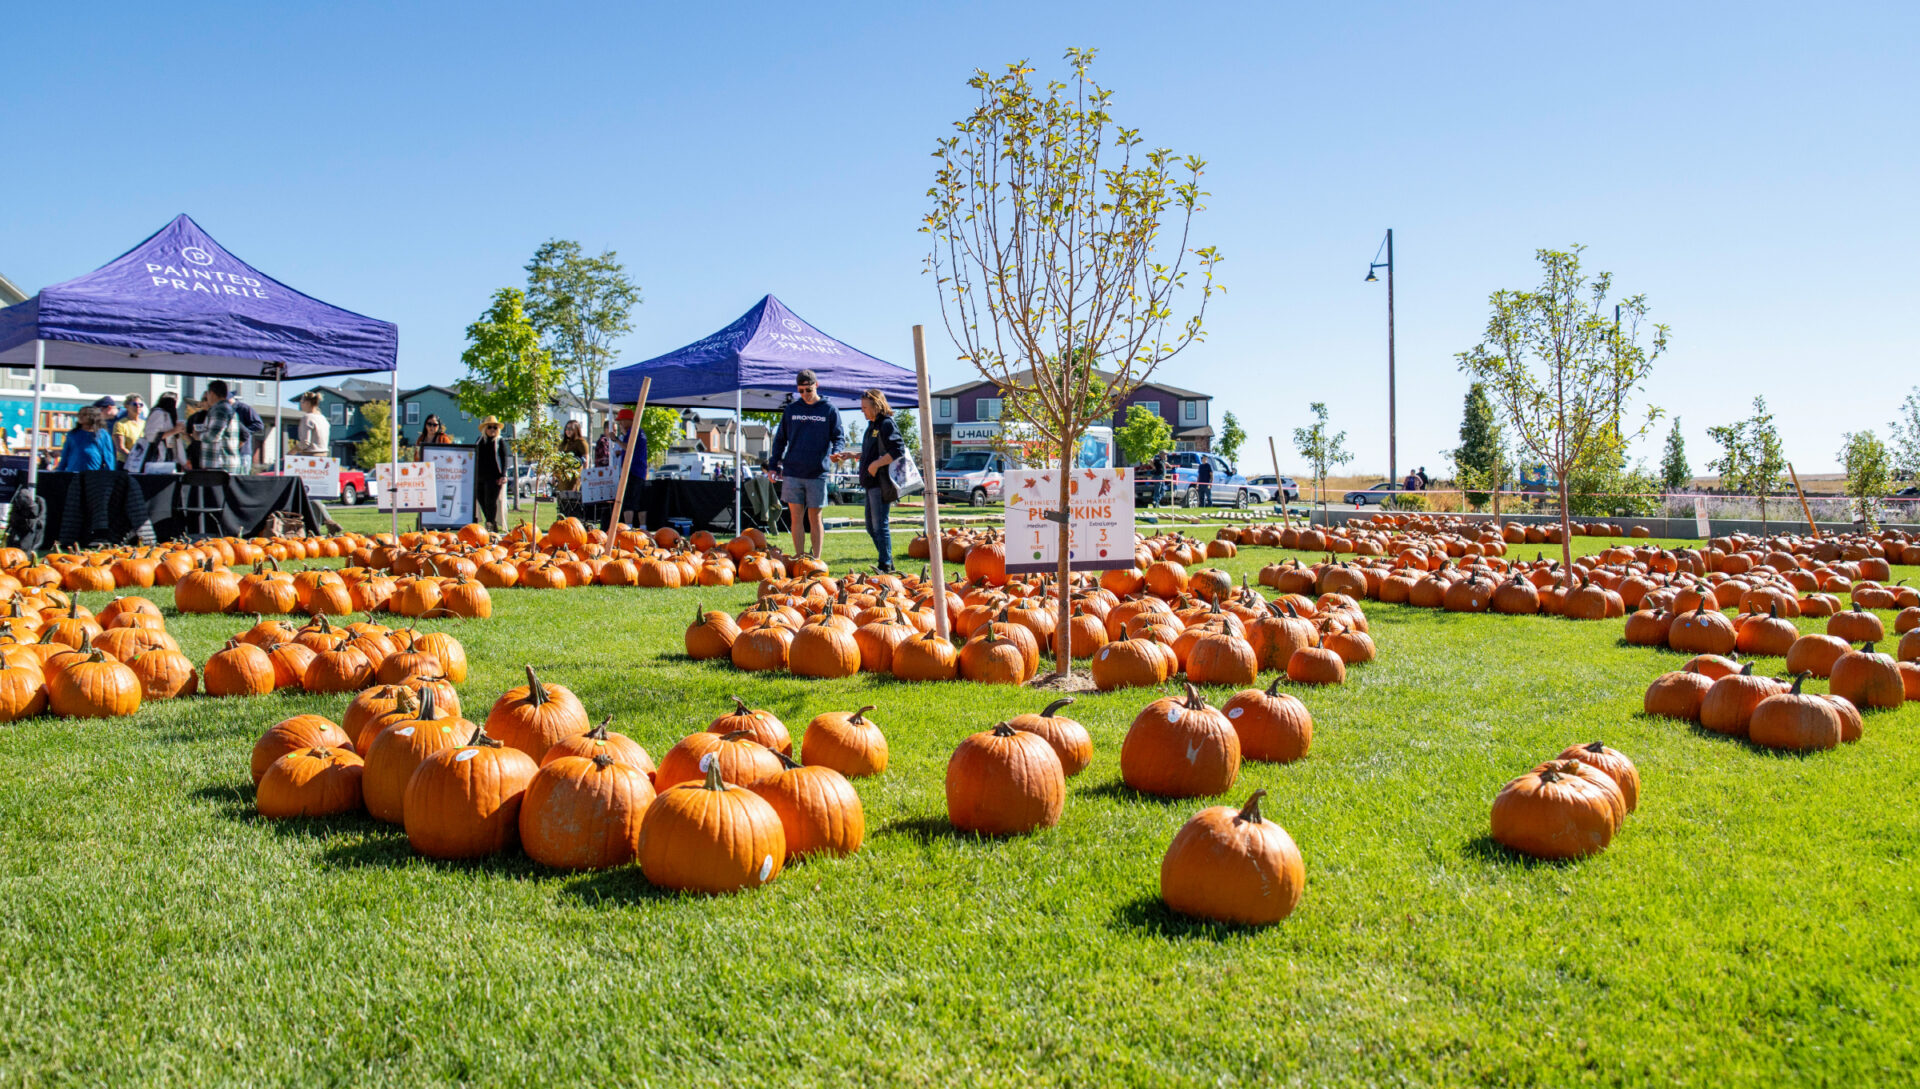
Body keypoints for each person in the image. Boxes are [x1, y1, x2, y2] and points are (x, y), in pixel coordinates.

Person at [766, 368, 842, 559]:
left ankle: (816, 559)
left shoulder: (829, 409)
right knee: (795, 517)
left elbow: (838, 437)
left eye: (808, 390)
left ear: (816, 385)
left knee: (815, 518)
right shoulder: (792, 410)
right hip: (793, 472)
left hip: (817, 472)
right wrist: (773, 465)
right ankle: (799, 558)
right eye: (800, 391)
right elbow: (780, 440)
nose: (805, 395)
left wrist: (837, 452)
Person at [854, 389, 908, 572]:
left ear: (876, 406)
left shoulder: (886, 424)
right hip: (870, 483)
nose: (862, 411)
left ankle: (885, 564)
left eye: (865, 407)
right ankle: (887, 560)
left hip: (881, 483)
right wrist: (853, 455)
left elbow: (898, 449)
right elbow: (873, 451)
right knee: (871, 526)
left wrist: (877, 464)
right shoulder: (872, 425)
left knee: (880, 525)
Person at [196, 380, 249, 473]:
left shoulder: (220, 410)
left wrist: (198, 436)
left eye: (207, 395)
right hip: (223, 464)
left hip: (219, 465)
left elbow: (213, 436)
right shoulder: (227, 408)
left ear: (211, 393)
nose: (207, 398)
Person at [56, 405, 118, 472]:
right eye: (79, 414)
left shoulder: (102, 435)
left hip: (94, 474)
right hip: (74, 473)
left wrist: (109, 475)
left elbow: (109, 457)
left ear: (93, 416)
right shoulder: (73, 434)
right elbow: (65, 455)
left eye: (84, 414)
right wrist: (60, 472)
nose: (81, 416)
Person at [474, 416, 508, 532]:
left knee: (490, 501)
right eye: (490, 427)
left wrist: (503, 475)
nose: (492, 429)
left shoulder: (499, 441)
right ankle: (491, 524)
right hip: (479, 476)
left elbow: (504, 459)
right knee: (481, 500)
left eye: (495, 427)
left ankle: (490, 524)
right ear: (485, 428)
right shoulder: (479, 441)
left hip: (494, 477)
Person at [615, 408, 648, 529]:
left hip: (632, 470)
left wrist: (616, 440)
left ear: (628, 420)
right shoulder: (640, 431)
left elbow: (629, 447)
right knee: (640, 501)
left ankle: (628, 527)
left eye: (621, 421)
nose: (620, 424)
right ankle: (643, 527)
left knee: (628, 500)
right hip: (640, 471)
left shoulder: (633, 432)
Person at [136, 392, 188, 469]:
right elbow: (151, 436)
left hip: (169, 457)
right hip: (158, 458)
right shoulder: (158, 413)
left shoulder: (168, 414)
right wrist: (174, 431)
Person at [558, 419, 589, 491]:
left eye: (570, 429)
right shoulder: (564, 443)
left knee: (572, 499)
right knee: (562, 499)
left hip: (575, 477)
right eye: (566, 428)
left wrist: (581, 479)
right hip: (563, 478)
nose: (568, 431)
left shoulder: (581, 442)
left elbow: (586, 463)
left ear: (576, 430)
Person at [112, 396, 145, 461]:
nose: (138, 406)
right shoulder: (120, 424)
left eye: (140, 405)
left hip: (142, 461)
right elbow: (120, 447)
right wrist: (134, 458)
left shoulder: (146, 424)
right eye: (134, 404)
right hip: (125, 462)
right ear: (127, 406)